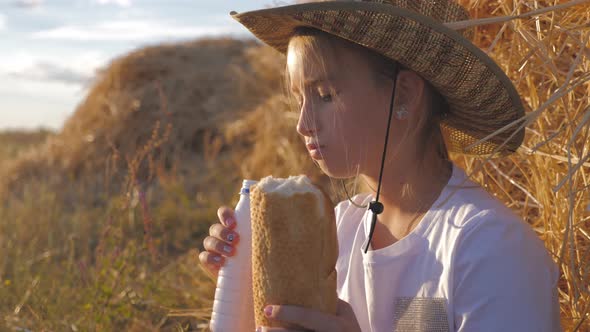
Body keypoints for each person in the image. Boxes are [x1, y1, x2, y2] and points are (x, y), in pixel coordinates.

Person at [199, 1, 561, 331]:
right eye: (299, 99)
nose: (303, 124)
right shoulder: (334, 230)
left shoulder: (489, 250)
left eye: (325, 95)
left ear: (404, 95)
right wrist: (244, 285)